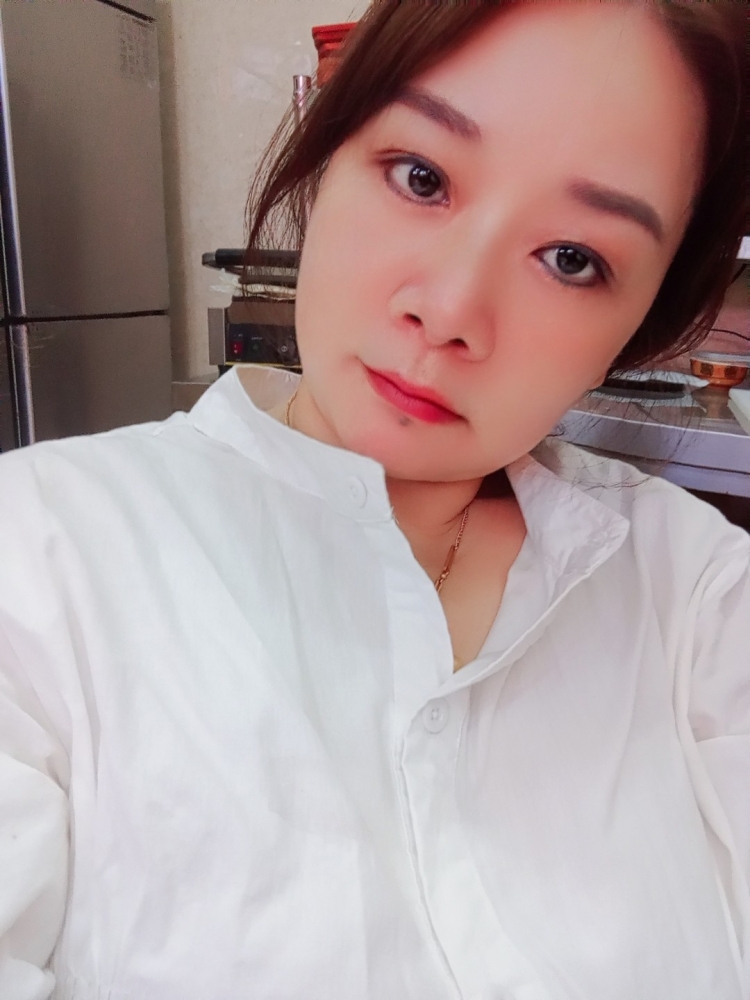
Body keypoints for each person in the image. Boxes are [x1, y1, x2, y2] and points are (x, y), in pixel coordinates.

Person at [0, 1, 747, 997]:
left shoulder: (700, 596)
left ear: (645, 319)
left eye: (573, 258)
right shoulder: (40, 554)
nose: (448, 311)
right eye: (421, 177)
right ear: (327, 157)